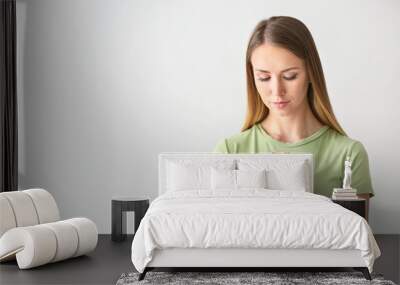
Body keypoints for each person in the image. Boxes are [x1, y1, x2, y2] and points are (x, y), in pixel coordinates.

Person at [213, 16, 374, 219]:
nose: (276, 91)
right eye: (263, 77)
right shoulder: (230, 151)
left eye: (290, 76)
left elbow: (357, 242)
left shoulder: (349, 155)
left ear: (310, 73)